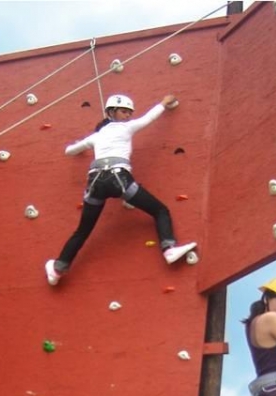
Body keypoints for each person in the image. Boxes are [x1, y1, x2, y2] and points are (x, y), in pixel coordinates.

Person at [45, 93, 197, 285]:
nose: (127, 116)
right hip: (120, 180)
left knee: (83, 230)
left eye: (129, 113)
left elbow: (68, 151)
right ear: (111, 112)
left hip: (95, 183)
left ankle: (58, 269)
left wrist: (82, 148)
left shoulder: (96, 136)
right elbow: (148, 119)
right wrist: (164, 103)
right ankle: (169, 248)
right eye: (124, 112)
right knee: (160, 210)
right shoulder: (127, 127)